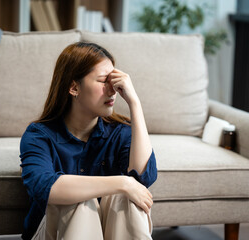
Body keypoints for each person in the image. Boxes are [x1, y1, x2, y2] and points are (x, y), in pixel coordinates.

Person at [20, 42, 157, 240]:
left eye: (114, 81)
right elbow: (43, 186)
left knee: (126, 197)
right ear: (74, 88)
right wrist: (122, 182)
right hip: (52, 233)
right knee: (80, 202)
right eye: (104, 81)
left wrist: (135, 103)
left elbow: (144, 178)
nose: (113, 90)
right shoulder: (39, 135)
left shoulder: (120, 132)